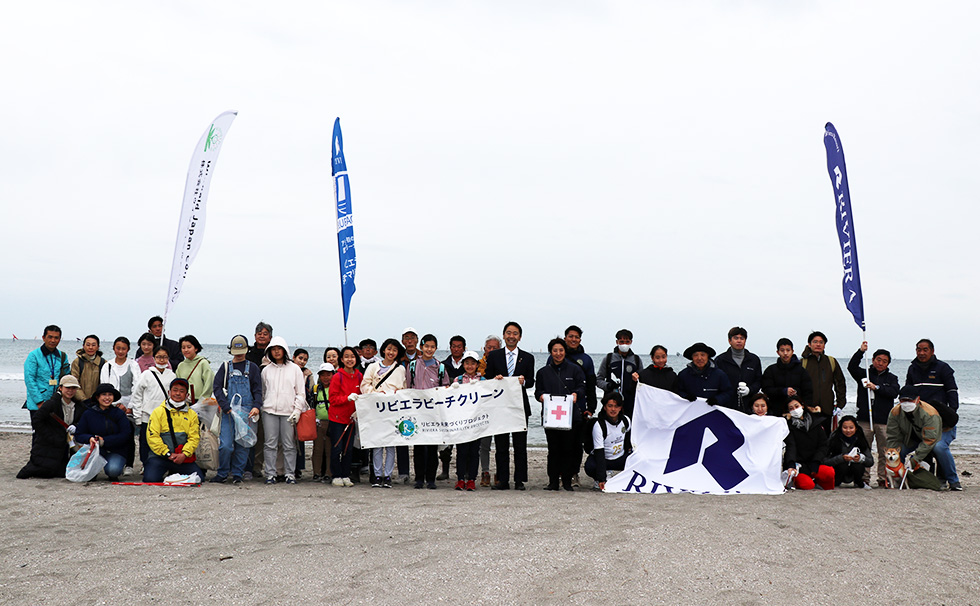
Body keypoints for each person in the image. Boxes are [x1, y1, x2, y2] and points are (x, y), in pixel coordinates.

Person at [905, 339, 961, 491]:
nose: (921, 353)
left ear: (932, 351)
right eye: (918, 349)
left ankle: (953, 481)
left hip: (943, 422)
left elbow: (952, 393)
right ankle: (925, 478)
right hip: (921, 423)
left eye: (925, 349)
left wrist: (951, 415)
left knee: (939, 447)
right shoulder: (912, 369)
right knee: (905, 448)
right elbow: (908, 393)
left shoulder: (943, 368)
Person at [485, 321, 535, 491]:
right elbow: (487, 379)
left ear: (519, 337)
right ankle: (503, 480)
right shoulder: (494, 356)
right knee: (501, 445)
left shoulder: (528, 357)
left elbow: (531, 382)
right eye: (508, 333)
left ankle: (519, 480)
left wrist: (524, 381)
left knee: (520, 446)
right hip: (500, 407)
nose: (511, 336)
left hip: (520, 407)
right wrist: (495, 380)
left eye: (515, 333)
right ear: (504, 335)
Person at [535, 338, 586, 491]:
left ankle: (567, 481)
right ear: (551, 352)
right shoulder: (543, 372)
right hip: (551, 417)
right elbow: (538, 391)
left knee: (568, 449)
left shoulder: (575, 369)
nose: (558, 353)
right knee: (553, 450)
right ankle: (553, 482)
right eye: (555, 350)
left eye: (561, 350)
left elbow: (582, 388)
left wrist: (577, 394)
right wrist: (541, 396)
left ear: (565, 351)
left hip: (570, 418)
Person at [847, 342, 900, 488]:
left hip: (884, 421)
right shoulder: (864, 374)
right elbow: (851, 367)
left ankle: (883, 478)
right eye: (878, 360)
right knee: (864, 450)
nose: (881, 363)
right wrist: (860, 351)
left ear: (888, 363)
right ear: (873, 360)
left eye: (884, 361)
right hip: (865, 420)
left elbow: (894, 392)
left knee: (885, 452)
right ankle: (864, 478)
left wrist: (876, 387)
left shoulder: (892, 378)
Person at [211, 335, 263, 484]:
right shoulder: (225, 367)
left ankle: (237, 474)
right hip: (228, 412)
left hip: (247, 412)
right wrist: (224, 405)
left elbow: (258, 390)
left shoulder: (252, 368)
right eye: (235, 351)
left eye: (242, 350)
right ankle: (222, 473)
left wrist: (256, 406)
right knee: (226, 445)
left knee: (243, 445)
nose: (239, 354)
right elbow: (217, 387)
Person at [16, 375, 86, 479]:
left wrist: (76, 426)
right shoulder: (51, 404)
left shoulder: (80, 406)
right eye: (67, 388)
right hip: (49, 443)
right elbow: (37, 420)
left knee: (63, 473)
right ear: (60, 388)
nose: (70, 391)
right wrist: (50, 436)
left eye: (73, 388)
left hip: (67, 444)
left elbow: (83, 422)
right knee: (43, 471)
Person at [406, 334, 452, 489]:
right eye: (426, 346)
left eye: (432, 347)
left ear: (436, 348)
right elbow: (408, 388)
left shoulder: (440, 367)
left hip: (434, 413)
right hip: (416, 412)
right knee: (418, 447)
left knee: (432, 448)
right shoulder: (412, 365)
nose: (429, 349)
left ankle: (431, 479)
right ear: (421, 347)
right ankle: (419, 479)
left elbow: (445, 388)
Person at [260, 336, 307, 485]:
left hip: (289, 412)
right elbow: (262, 392)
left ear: (285, 350)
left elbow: (300, 392)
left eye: (279, 349)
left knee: (288, 444)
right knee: (270, 444)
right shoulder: (266, 370)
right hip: (269, 411)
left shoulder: (295, 370)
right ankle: (270, 474)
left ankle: (290, 474)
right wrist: (262, 407)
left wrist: (297, 410)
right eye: (273, 349)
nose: (276, 352)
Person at [360, 339, 406, 488]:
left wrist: (396, 394)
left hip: (393, 410)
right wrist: (375, 394)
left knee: (391, 444)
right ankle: (378, 475)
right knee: (377, 443)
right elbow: (365, 384)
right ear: (383, 350)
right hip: (376, 408)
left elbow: (403, 388)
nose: (391, 352)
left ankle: (388, 475)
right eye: (389, 349)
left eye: (394, 350)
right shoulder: (373, 367)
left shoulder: (400, 369)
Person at [143, 378, 202, 482]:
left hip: (182, 458)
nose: (178, 393)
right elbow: (152, 437)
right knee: (150, 479)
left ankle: (174, 472)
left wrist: (184, 454)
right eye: (175, 390)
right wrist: (167, 454)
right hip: (161, 457)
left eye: (182, 391)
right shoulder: (158, 412)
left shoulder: (192, 414)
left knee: (199, 478)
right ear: (169, 392)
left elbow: (194, 437)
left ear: (187, 395)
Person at [99, 336, 143, 475]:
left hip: (130, 406)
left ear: (128, 349)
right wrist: (113, 404)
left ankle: (129, 464)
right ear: (113, 348)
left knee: (128, 432)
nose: (120, 351)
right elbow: (104, 385)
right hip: (110, 404)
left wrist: (129, 406)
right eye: (118, 348)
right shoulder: (108, 365)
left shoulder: (133, 365)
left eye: (124, 348)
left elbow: (137, 386)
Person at [74, 383, 133, 481]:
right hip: (94, 451)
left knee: (113, 470)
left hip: (116, 450)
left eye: (110, 395)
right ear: (97, 397)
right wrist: (90, 438)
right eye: (104, 394)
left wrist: (104, 440)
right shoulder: (88, 414)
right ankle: (94, 470)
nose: (107, 398)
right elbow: (79, 434)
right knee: (89, 475)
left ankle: (113, 467)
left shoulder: (119, 414)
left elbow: (125, 435)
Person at [130, 346, 177, 465]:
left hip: (165, 416)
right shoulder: (146, 374)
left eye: (164, 357)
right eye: (159, 357)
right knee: (145, 442)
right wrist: (137, 416)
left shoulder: (172, 375)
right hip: (147, 415)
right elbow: (137, 395)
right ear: (154, 358)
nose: (162, 360)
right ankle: (145, 464)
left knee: (164, 440)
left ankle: (162, 463)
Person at [563, 325, 597, 488]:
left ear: (580, 340)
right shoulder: (556, 355)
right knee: (560, 443)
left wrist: (591, 406)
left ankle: (574, 473)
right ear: (565, 338)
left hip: (580, 407)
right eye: (570, 336)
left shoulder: (587, 359)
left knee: (577, 444)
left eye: (576, 337)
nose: (573, 339)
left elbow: (591, 385)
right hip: (559, 408)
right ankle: (561, 473)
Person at [328, 346, 363, 487]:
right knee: (337, 447)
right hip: (337, 418)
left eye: (352, 356)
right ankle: (336, 475)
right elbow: (333, 399)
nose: (350, 359)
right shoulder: (338, 376)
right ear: (341, 359)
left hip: (352, 418)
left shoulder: (359, 376)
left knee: (348, 449)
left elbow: (363, 395)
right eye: (347, 356)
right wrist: (347, 398)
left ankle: (345, 474)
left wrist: (358, 409)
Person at [451, 350, 484, 491]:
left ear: (477, 365)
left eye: (473, 363)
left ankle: (471, 479)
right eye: (467, 363)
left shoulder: (483, 381)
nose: (470, 366)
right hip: (461, 422)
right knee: (461, 451)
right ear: (463, 364)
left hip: (476, 422)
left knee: (474, 451)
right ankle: (460, 479)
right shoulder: (457, 380)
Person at [783, 398, 834, 490]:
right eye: (791, 408)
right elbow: (791, 446)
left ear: (802, 406)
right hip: (799, 463)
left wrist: (816, 461)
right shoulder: (789, 426)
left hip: (815, 461)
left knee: (829, 473)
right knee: (807, 485)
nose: (795, 409)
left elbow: (823, 445)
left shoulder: (816, 422)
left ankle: (818, 481)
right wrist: (791, 464)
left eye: (796, 406)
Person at [584, 392, 631, 491]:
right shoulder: (599, 425)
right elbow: (599, 452)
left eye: (616, 406)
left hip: (620, 458)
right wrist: (601, 479)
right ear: (605, 407)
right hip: (604, 459)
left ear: (620, 408)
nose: (613, 409)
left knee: (638, 458)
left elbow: (629, 441)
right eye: (610, 406)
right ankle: (602, 476)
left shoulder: (626, 421)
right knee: (590, 466)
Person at [437, 335, 468, 481]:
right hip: (447, 408)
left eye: (459, 346)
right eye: (453, 346)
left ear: (464, 348)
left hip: (465, 408)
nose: (456, 349)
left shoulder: (469, 364)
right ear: (450, 347)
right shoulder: (442, 365)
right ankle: (445, 471)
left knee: (465, 440)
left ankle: (465, 471)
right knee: (445, 441)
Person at [23, 325, 71, 417]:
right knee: (40, 431)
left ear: (60, 339)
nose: (53, 340)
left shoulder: (62, 356)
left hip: (57, 403)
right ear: (43, 338)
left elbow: (66, 378)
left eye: (56, 338)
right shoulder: (34, 355)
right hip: (38, 405)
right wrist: (39, 401)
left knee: (57, 431)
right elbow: (29, 380)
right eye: (50, 337)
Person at [714, 327, 763, 412]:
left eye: (742, 338)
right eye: (736, 338)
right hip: (726, 406)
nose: (739, 341)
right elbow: (715, 383)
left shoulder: (753, 360)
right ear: (729, 341)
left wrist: (749, 390)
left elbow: (759, 381)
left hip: (749, 406)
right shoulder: (720, 360)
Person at [596, 329, 643, 418]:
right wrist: (608, 385)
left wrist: (635, 382)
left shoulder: (636, 360)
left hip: (630, 403)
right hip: (611, 403)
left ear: (631, 342)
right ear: (617, 342)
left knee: (628, 428)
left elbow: (642, 383)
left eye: (627, 342)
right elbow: (598, 379)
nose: (624, 344)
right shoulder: (609, 358)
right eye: (621, 342)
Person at [800, 331, 847, 421]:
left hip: (827, 409)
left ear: (824, 345)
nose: (818, 344)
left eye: (821, 342)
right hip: (808, 409)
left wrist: (840, 405)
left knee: (826, 435)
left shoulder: (831, 361)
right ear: (809, 344)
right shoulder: (803, 362)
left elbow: (840, 384)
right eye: (815, 342)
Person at [761, 338, 813, 417]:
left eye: (788, 350)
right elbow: (766, 389)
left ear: (792, 351)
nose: (785, 353)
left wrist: (797, 395)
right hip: (776, 411)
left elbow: (808, 392)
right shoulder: (771, 370)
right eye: (782, 350)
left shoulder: (801, 371)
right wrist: (783, 391)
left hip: (797, 411)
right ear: (778, 352)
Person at [674, 343, 734, 409]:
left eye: (703, 355)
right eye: (696, 355)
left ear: (707, 356)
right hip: (691, 412)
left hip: (713, 412)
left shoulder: (720, 374)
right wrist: (686, 397)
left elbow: (728, 392)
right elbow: (678, 391)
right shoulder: (683, 375)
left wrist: (717, 400)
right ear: (692, 357)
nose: (699, 358)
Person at [477, 334, 501, 487]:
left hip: (499, 408)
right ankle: (485, 471)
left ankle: (500, 472)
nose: (491, 350)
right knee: (483, 444)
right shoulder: (476, 364)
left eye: (495, 348)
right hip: (482, 409)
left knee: (500, 444)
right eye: (489, 348)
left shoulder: (503, 363)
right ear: (484, 349)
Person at [824, 415, 873, 489]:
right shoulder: (834, 438)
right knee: (842, 465)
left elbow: (871, 462)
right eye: (845, 427)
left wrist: (861, 458)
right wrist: (841, 458)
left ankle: (859, 483)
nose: (848, 430)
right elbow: (825, 461)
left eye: (851, 428)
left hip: (855, 470)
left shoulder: (860, 438)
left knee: (858, 465)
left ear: (856, 428)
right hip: (838, 470)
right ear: (840, 428)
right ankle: (836, 482)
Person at [309, 362, 335, 483]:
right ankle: (316, 472)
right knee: (318, 449)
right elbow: (311, 404)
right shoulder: (315, 389)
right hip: (319, 422)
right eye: (323, 375)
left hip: (332, 422)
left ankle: (328, 473)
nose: (325, 377)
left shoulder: (335, 388)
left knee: (330, 449)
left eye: (328, 375)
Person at [176, 335, 214, 405]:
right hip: (184, 401)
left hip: (200, 401)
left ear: (196, 348)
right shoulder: (181, 366)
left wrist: (204, 399)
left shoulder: (203, 363)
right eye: (183, 348)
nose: (186, 350)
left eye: (189, 347)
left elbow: (209, 382)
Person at [70, 334, 105, 402]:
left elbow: (104, 385)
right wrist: (84, 400)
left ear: (98, 347)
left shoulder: (103, 363)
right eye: (88, 345)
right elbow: (74, 383)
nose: (90, 347)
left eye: (93, 345)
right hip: (79, 402)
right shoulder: (77, 362)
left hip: (98, 403)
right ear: (83, 346)